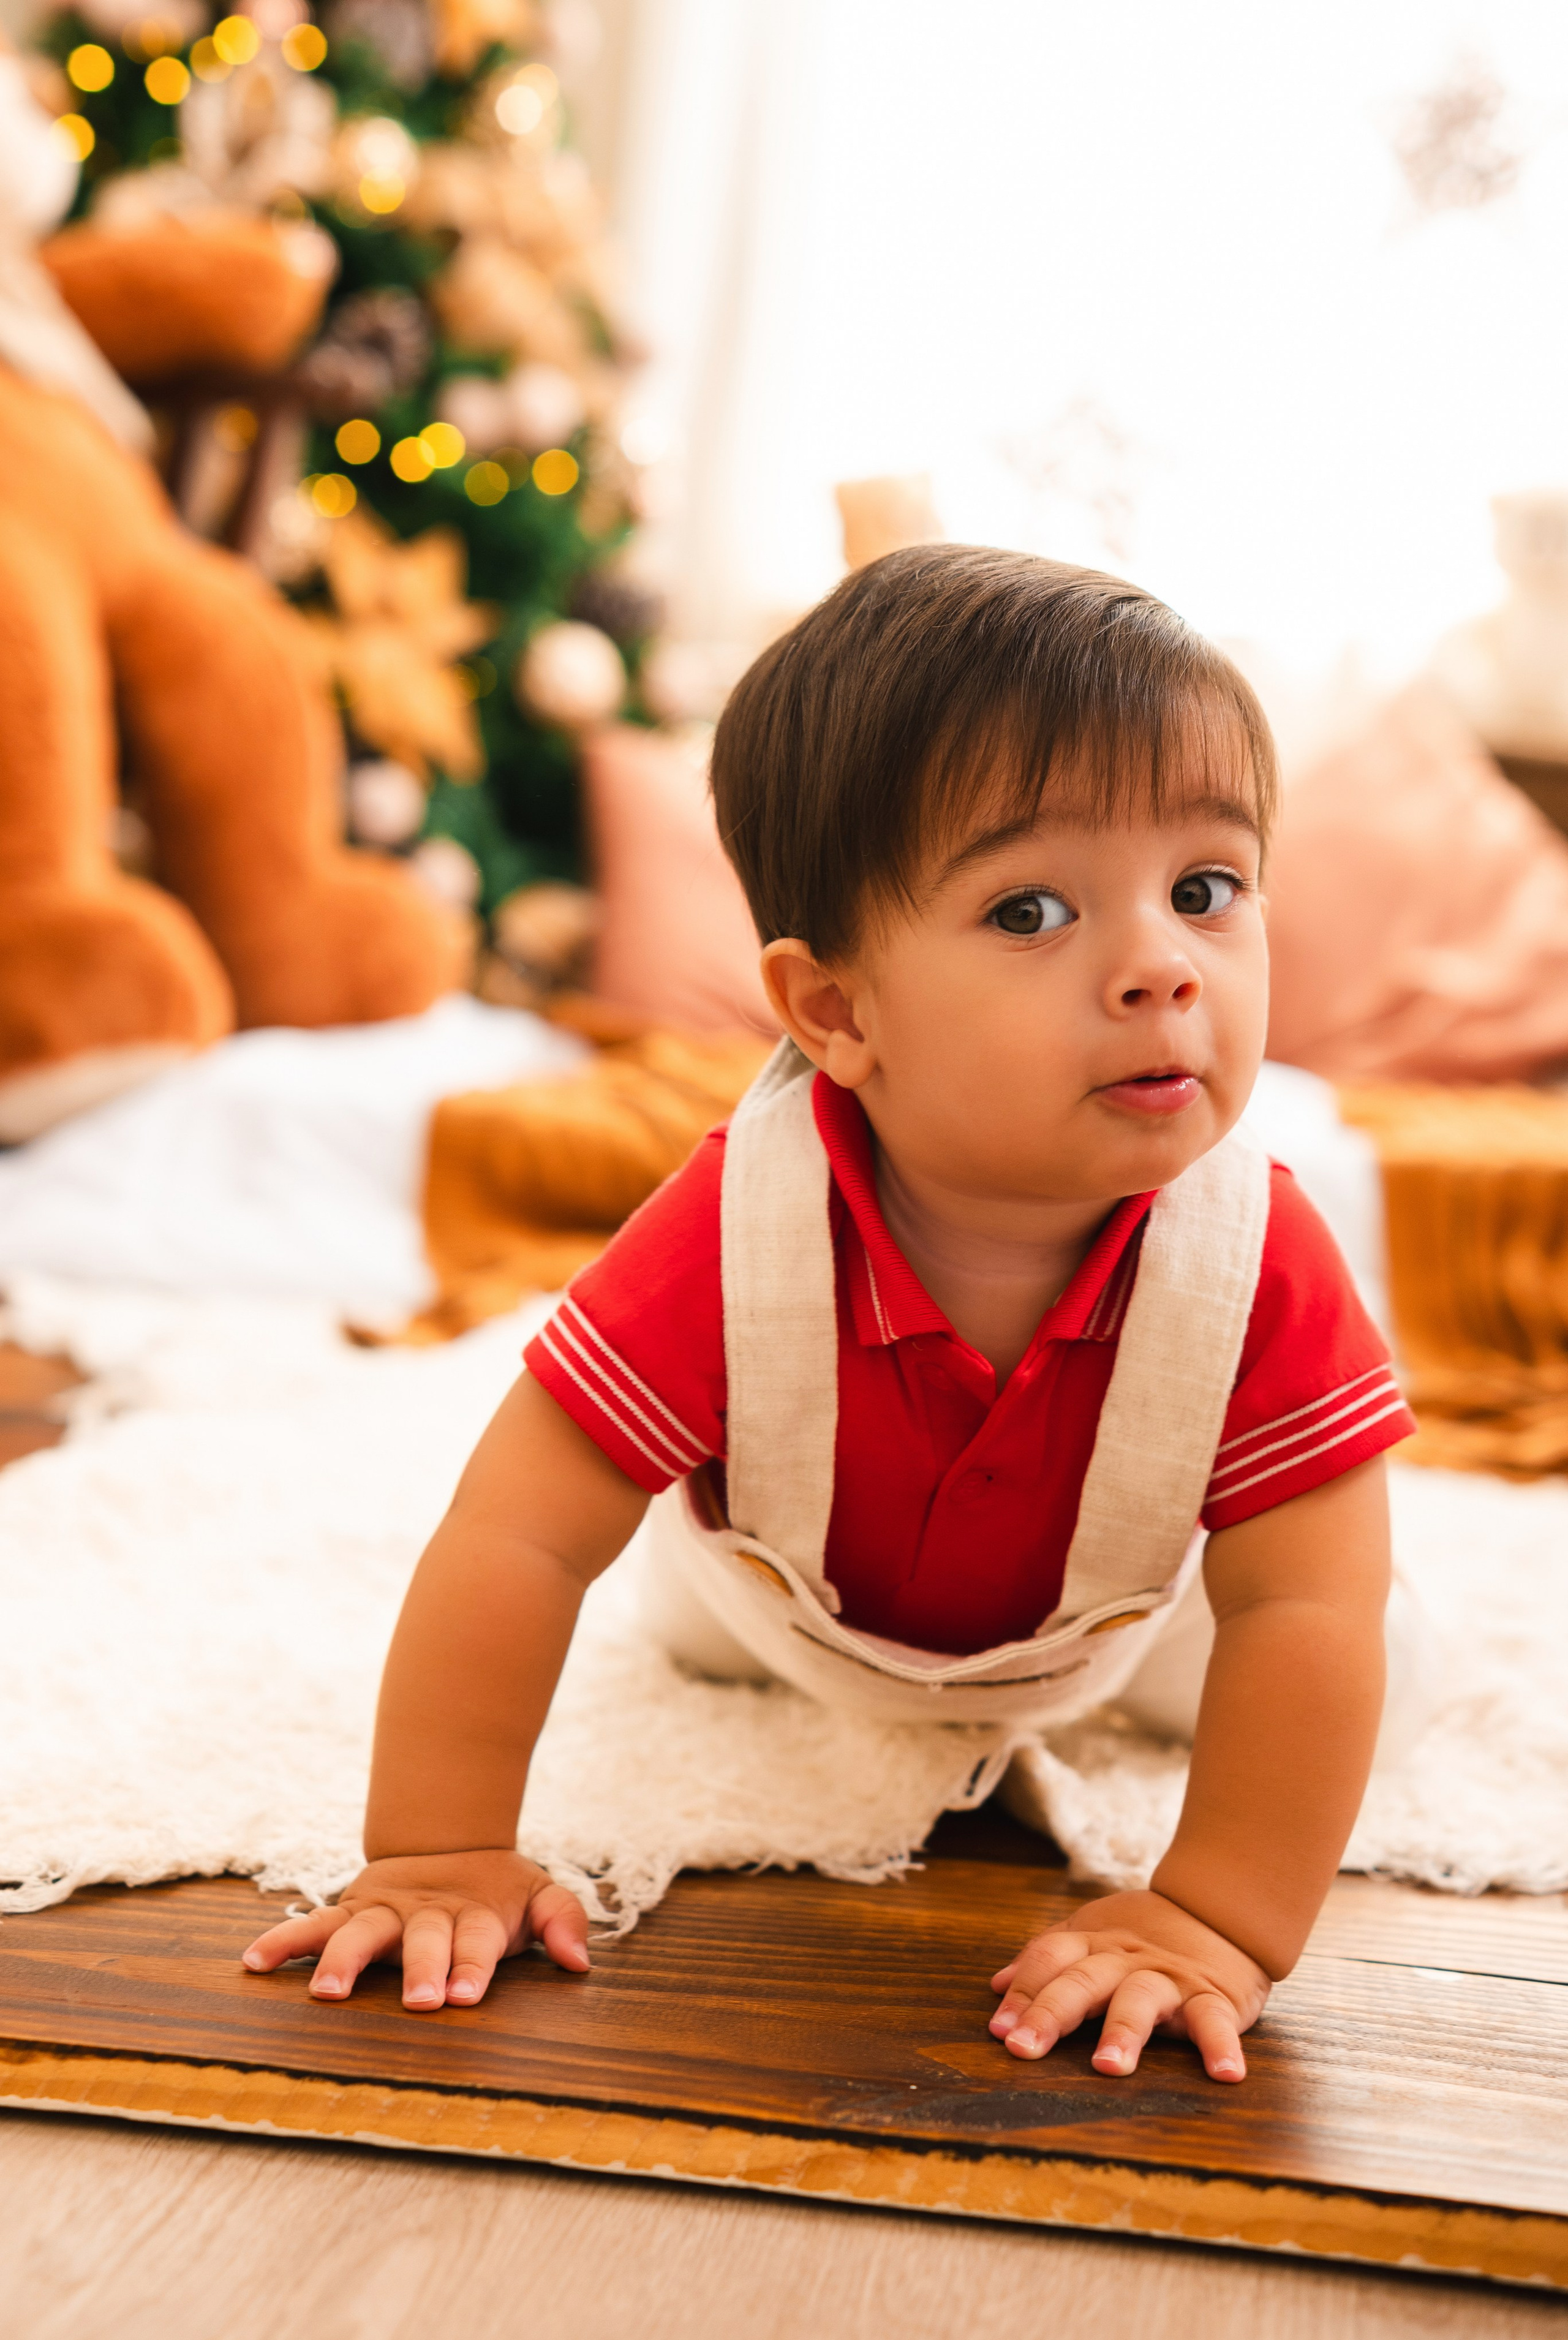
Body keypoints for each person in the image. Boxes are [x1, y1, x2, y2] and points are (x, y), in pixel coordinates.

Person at [241, 548, 1419, 2082]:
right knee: (674, 1629)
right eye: (1031, 909)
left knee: (1359, 1650)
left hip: (1122, 1622)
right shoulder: (738, 1227)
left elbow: (1301, 1612)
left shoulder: (1253, 1251)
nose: (1158, 968)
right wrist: (438, 1848)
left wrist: (1215, 1915)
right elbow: (518, 1536)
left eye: (1206, 889)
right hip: (766, 1603)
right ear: (836, 1012)